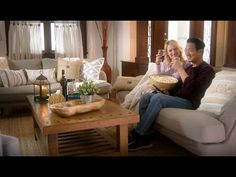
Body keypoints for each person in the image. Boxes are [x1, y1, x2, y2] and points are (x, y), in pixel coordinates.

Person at [128, 37, 215, 151]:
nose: (187, 53)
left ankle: (138, 134)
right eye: (186, 49)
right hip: (178, 98)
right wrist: (166, 92)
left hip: (191, 103)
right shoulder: (190, 67)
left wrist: (179, 68)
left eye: (190, 50)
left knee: (158, 99)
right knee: (146, 96)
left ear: (200, 51)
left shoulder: (207, 70)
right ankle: (145, 134)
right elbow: (178, 86)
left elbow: (192, 89)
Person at [121, 40, 190, 111]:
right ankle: (128, 104)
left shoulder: (186, 64)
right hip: (159, 84)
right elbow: (159, 75)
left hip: (168, 89)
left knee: (145, 88)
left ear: (179, 49)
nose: (173, 52)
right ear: (167, 53)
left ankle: (128, 107)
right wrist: (157, 63)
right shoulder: (166, 61)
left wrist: (178, 66)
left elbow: (176, 79)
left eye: (175, 49)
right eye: (170, 50)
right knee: (142, 89)